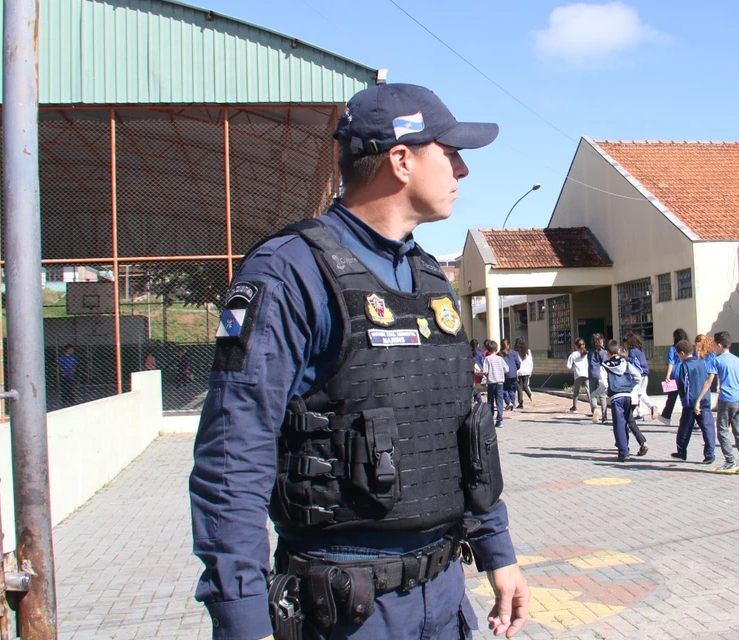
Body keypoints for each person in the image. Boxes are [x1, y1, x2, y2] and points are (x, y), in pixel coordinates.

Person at [189, 83, 528, 640]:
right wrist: (242, 620)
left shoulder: (429, 277)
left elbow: (463, 427)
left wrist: (497, 549)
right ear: (400, 160)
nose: (462, 171)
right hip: (345, 608)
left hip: (443, 595)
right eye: (449, 153)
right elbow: (232, 462)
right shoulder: (289, 273)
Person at [698, 332, 739, 474]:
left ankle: (730, 461)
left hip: (726, 400)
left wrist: (698, 400)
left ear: (720, 345)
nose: (713, 348)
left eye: (714, 345)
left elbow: (709, 382)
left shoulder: (717, 360)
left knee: (722, 431)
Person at [670, 340, 716, 464]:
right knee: (708, 428)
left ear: (683, 353)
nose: (678, 357)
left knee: (685, 428)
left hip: (690, 401)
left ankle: (681, 452)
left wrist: (682, 397)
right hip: (704, 400)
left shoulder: (684, 365)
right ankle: (710, 454)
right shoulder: (701, 363)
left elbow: (682, 384)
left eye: (678, 355)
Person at [602, 339, 648, 461]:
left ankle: (624, 452)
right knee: (628, 421)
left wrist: (607, 391)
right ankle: (626, 448)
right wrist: (632, 385)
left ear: (607, 352)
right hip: (628, 396)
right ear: (618, 350)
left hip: (616, 397)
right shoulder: (626, 363)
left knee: (619, 425)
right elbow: (637, 376)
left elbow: (602, 382)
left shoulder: (605, 365)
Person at [658, 328, 689, 425]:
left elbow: (671, 362)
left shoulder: (673, 348)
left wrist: (667, 375)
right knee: (685, 396)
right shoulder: (688, 347)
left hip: (675, 375)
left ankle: (666, 416)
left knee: (671, 397)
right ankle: (687, 417)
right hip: (685, 374)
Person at [624, 332, 655, 420]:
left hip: (638, 375)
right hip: (644, 374)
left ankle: (652, 406)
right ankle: (640, 413)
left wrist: (623, 357)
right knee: (640, 392)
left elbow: (631, 360)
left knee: (640, 394)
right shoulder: (640, 350)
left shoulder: (633, 350)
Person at [482, 339, 509, 428]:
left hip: (491, 382)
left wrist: (482, 373)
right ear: (496, 349)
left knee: (490, 401)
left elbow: (485, 371)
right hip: (500, 383)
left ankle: (490, 419)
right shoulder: (500, 359)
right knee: (499, 402)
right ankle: (500, 420)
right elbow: (507, 369)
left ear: (488, 350)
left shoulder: (487, 359)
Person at [587, 333, 609, 424]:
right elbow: (605, 363)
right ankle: (604, 416)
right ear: (601, 341)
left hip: (592, 375)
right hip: (600, 375)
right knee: (602, 395)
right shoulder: (603, 352)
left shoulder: (590, 352)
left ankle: (595, 408)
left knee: (593, 393)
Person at [565, 338, 591, 412]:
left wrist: (573, 365)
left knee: (576, 391)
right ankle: (593, 407)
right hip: (586, 374)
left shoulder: (573, 355)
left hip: (578, 375)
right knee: (588, 390)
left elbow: (568, 366)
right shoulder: (586, 353)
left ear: (575, 346)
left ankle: (574, 406)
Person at [499, 338, 521, 412]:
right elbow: (518, 363)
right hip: (513, 374)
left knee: (503, 389)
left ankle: (508, 401)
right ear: (508, 345)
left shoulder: (500, 354)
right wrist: (515, 369)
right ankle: (513, 405)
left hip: (504, 374)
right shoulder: (514, 353)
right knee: (512, 390)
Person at [514, 337, 534, 409]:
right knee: (525, 386)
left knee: (519, 387)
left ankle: (520, 403)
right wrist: (530, 371)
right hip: (527, 371)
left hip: (519, 372)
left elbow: (516, 363)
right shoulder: (528, 351)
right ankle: (531, 395)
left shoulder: (516, 352)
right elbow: (531, 362)